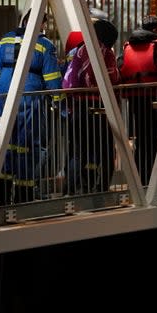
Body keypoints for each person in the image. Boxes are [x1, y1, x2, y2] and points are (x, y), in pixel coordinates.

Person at [0, 11, 61, 204]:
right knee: (28, 147)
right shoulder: (45, 46)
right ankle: (23, 198)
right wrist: (60, 103)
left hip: (4, 95)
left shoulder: (6, 40)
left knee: (7, 146)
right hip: (29, 96)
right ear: (42, 24)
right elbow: (53, 79)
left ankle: (3, 197)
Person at [118, 16, 157, 183]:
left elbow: (120, 66)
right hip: (156, 98)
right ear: (155, 30)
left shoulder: (128, 46)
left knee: (142, 139)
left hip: (135, 98)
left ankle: (141, 178)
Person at [62, 19, 121, 195]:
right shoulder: (106, 53)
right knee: (104, 150)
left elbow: (69, 82)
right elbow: (114, 79)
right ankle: (99, 188)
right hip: (100, 108)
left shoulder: (81, 50)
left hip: (79, 107)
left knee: (78, 151)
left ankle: (70, 190)